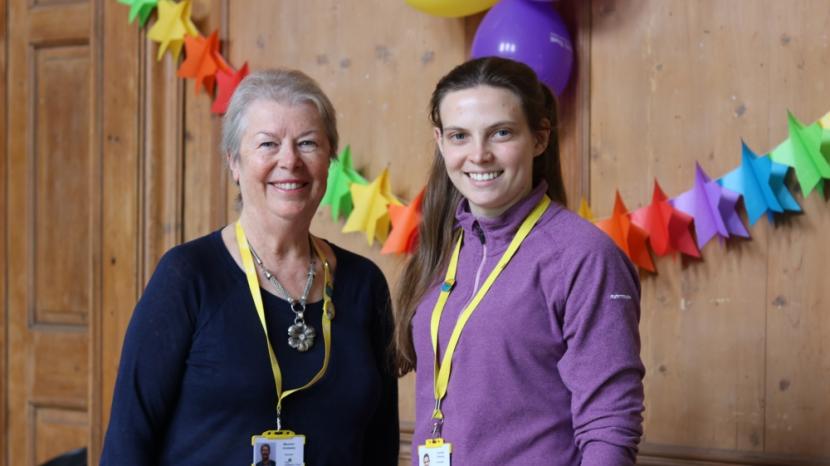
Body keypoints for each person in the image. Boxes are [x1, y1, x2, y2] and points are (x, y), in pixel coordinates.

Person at [101, 69, 399, 465]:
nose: (289, 160)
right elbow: (127, 443)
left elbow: (381, 444)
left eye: (307, 143)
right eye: (268, 144)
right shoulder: (188, 276)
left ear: (329, 160)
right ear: (234, 163)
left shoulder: (365, 284)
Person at [396, 57, 645, 465]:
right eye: (460, 136)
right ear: (440, 142)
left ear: (540, 138)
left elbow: (610, 426)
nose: (479, 155)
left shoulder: (585, 256)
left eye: (501, 133)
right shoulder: (444, 248)